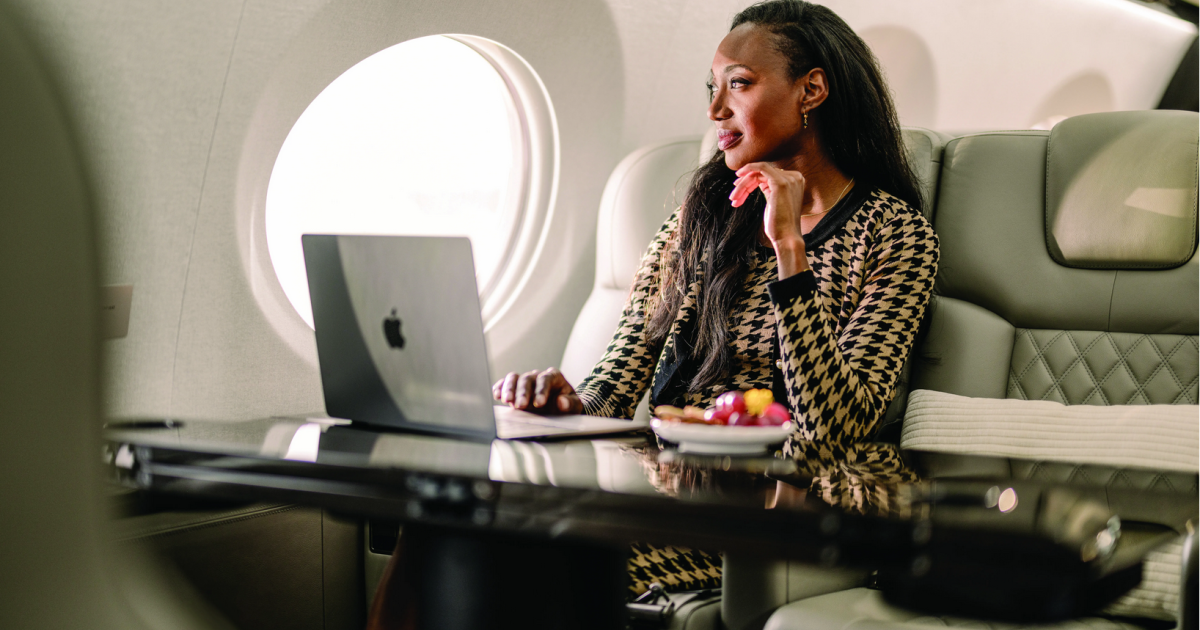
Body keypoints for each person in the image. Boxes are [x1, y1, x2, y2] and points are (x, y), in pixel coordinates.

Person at [492, 0, 939, 595]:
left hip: (791, 502)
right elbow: (612, 392)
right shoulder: (697, 221)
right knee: (457, 525)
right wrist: (561, 402)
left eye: (740, 85)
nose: (715, 110)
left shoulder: (895, 234)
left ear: (811, 91)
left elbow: (832, 433)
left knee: (559, 561)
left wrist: (789, 252)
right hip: (673, 482)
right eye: (712, 87)